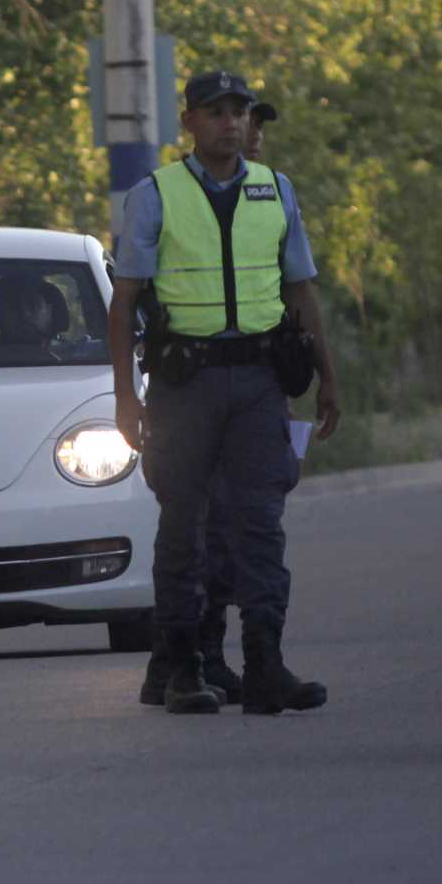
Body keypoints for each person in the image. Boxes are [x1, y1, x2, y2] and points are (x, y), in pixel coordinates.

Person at [110, 70, 340, 715]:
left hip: (261, 383)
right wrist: (125, 398)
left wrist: (329, 377)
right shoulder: (155, 194)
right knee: (184, 527)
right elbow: (124, 300)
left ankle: (265, 664)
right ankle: (183, 667)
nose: (231, 123)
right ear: (190, 122)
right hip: (186, 386)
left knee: (260, 526)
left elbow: (302, 290)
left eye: (238, 112)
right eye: (216, 112)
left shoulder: (276, 190)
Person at [191, 96, 285, 703]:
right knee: (211, 531)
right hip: (201, 389)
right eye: (242, 120)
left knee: (247, 529)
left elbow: (286, 296)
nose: (250, 133)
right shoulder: (185, 198)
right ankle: (193, 656)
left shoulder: (270, 198)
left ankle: (233, 659)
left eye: (256, 124)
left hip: (260, 386)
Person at [0, 271, 61, 362]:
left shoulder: (75, 364)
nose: (25, 313)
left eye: (33, 305)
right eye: (14, 306)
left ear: (50, 313)